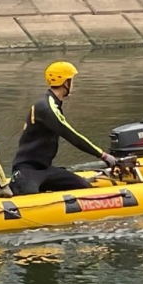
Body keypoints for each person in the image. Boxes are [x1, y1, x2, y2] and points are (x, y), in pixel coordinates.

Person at [9, 61, 118, 196]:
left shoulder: (51, 102)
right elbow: (71, 135)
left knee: (84, 188)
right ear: (65, 83)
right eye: (71, 80)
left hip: (45, 169)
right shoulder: (48, 108)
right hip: (27, 170)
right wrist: (103, 155)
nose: (73, 85)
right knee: (28, 199)